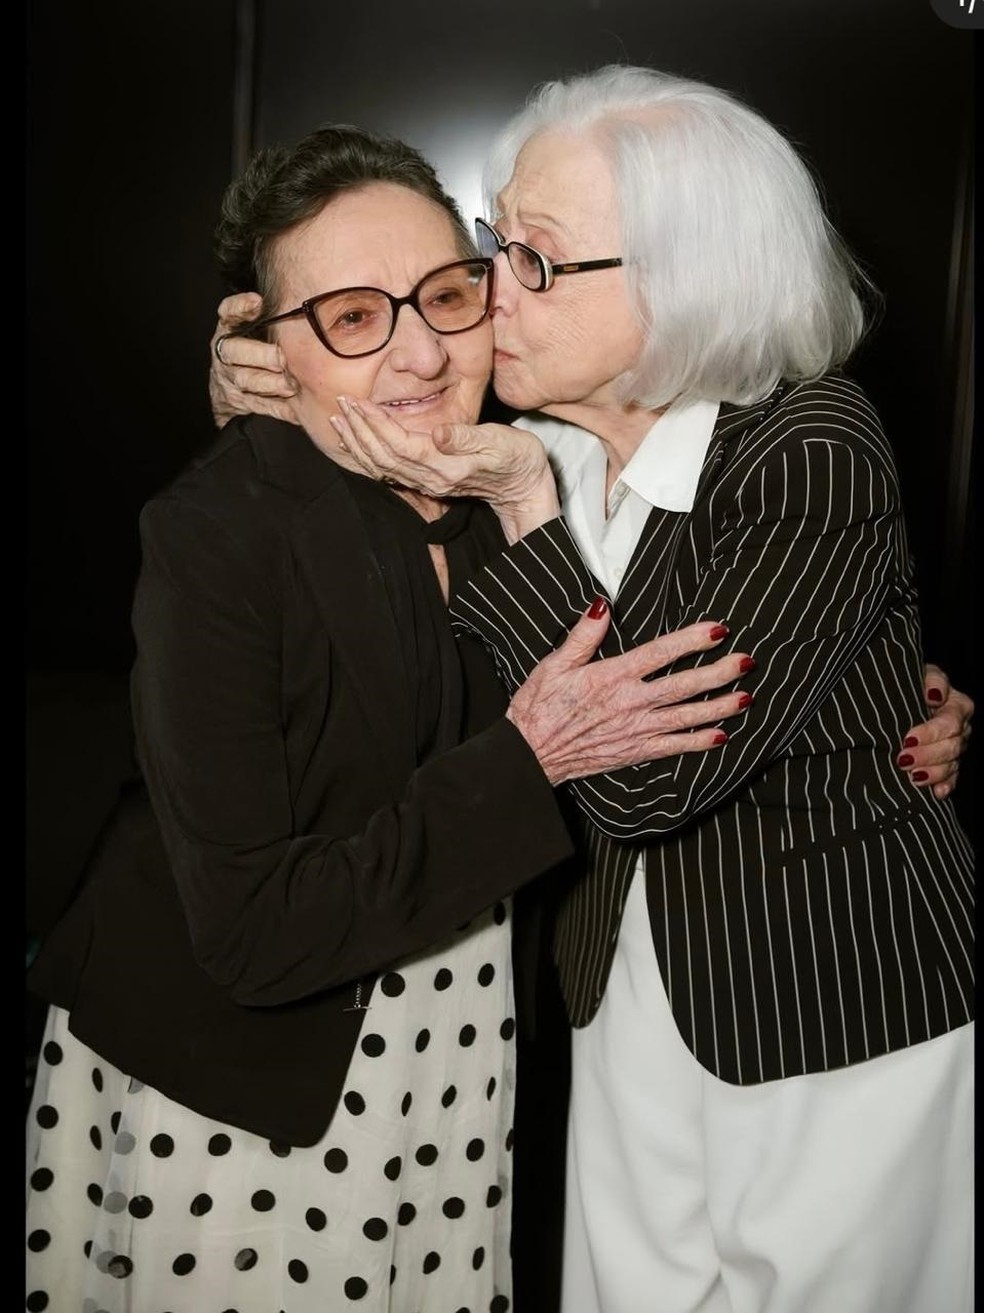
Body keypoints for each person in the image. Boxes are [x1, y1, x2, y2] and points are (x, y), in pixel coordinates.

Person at [209, 68, 976, 1313]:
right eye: (494, 243)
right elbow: (333, 495)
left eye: (539, 263)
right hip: (625, 986)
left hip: (838, 997)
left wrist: (520, 507)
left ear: (686, 280)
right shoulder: (556, 446)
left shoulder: (808, 438)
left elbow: (658, 769)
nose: (487, 296)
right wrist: (270, 376)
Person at [24, 123, 762, 1313]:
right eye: (355, 317)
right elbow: (256, 931)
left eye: (445, 295)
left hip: (459, 1059)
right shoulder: (218, 534)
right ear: (266, 352)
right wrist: (534, 760)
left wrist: (899, 703)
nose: (421, 350)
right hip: (243, 1087)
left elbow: (698, 654)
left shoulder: (522, 482)